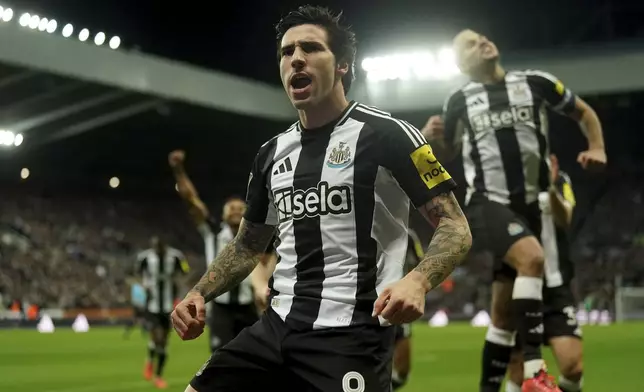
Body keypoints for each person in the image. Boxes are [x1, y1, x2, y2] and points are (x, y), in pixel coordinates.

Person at [171, 5, 472, 392]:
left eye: (310, 48)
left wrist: (418, 280)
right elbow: (248, 245)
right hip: (275, 327)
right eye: (286, 51)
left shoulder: (390, 136)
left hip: (350, 337)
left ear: (343, 64)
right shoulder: (270, 154)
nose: (296, 58)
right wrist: (198, 292)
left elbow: (455, 225)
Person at [421, 29, 605, 392]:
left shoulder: (536, 83)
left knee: (503, 316)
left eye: (481, 37)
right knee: (533, 259)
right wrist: (431, 138)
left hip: (531, 210)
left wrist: (597, 145)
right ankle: (535, 371)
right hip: (488, 203)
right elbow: (448, 156)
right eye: (470, 45)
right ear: (461, 65)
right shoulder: (458, 100)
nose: (483, 42)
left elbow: (583, 112)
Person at [168, 150, 275, 354]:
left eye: (240, 208)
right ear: (223, 215)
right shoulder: (213, 232)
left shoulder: (258, 238)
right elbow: (191, 200)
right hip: (222, 309)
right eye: (231, 208)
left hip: (249, 307)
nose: (236, 210)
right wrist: (179, 171)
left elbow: (267, 264)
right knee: (221, 359)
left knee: (255, 359)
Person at [505, 154, 583, 392]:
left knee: (573, 367)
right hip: (519, 286)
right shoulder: (509, 185)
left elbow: (566, 217)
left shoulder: (560, 182)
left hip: (555, 287)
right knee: (518, 371)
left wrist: (549, 186)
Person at [137, 237, 190, 389]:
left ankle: (155, 369)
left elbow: (185, 270)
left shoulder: (175, 257)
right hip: (152, 306)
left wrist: (177, 285)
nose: (157, 250)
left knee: (163, 343)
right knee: (158, 338)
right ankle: (155, 372)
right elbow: (137, 273)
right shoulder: (145, 258)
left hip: (169, 306)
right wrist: (144, 285)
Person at [392, 228, 424, 390]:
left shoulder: (409, 235)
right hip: (368, 301)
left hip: (398, 302)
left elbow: (421, 261)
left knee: (402, 371)